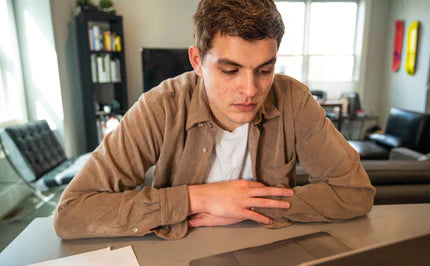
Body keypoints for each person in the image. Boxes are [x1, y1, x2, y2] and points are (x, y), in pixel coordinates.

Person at [54, 0, 375, 240]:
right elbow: (72, 212)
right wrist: (198, 198)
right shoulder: (159, 108)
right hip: (179, 252)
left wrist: (246, 205)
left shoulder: (295, 100)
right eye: (230, 70)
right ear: (197, 60)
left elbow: (355, 193)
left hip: (268, 247)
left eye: (265, 70)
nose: (250, 90)